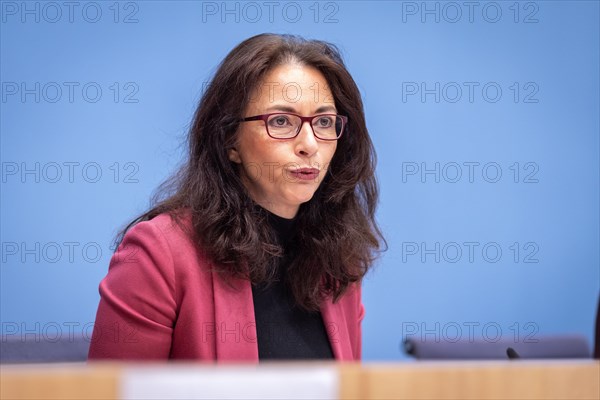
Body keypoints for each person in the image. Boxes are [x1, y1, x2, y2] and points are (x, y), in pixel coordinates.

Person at [88, 33, 385, 362]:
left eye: (325, 122)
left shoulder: (335, 262)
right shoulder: (158, 255)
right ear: (230, 141)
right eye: (281, 121)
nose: (310, 144)